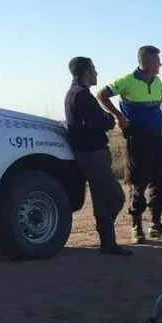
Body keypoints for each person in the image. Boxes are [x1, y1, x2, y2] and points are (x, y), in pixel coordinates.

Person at [96, 45, 162, 244]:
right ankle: (136, 227)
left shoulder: (157, 81)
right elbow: (101, 95)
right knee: (137, 183)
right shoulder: (127, 80)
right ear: (148, 62)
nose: (160, 64)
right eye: (158, 61)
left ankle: (155, 225)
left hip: (156, 137)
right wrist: (118, 116)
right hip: (137, 138)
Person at [64, 56, 132, 256]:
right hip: (93, 155)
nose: (97, 74)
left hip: (90, 153)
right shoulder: (82, 96)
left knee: (102, 199)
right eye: (94, 70)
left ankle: (108, 243)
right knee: (116, 197)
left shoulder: (74, 93)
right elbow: (101, 122)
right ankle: (106, 236)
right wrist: (110, 120)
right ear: (87, 73)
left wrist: (106, 119)